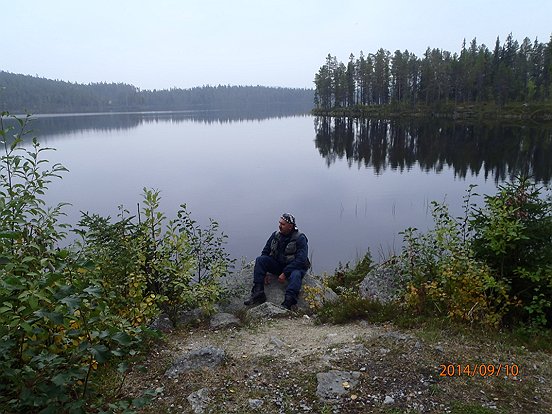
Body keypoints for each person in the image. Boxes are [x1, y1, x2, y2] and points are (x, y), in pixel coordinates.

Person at [244, 213, 309, 310]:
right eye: (280, 223)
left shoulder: (300, 238)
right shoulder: (275, 235)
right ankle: (258, 293)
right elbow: (265, 252)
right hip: (279, 264)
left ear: (290, 226)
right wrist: (264, 272)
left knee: (296, 275)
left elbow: (301, 260)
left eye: (283, 224)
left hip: (294, 268)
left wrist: (285, 273)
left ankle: (289, 302)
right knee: (260, 260)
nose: (280, 226)